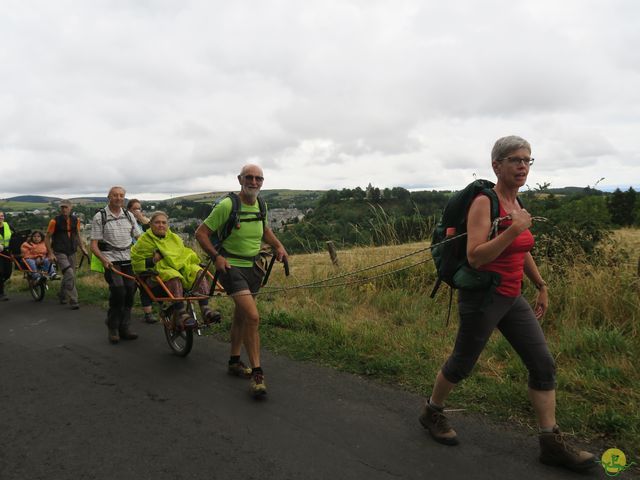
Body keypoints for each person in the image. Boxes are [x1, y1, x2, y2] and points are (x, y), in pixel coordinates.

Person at [419, 136, 596, 471]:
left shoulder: (517, 204)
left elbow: (522, 248)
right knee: (462, 363)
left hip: (512, 297)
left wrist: (540, 285)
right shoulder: (486, 203)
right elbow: (475, 257)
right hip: (483, 296)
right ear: (496, 165)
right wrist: (514, 230)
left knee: (543, 364)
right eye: (515, 160)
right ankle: (432, 411)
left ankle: (550, 443)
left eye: (528, 160)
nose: (522, 166)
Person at [195, 164, 288, 398]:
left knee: (241, 316)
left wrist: (278, 245)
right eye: (249, 178)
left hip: (253, 268)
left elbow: (263, 229)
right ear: (240, 179)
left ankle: (234, 362)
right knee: (253, 317)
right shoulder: (228, 205)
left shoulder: (261, 204)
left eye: (259, 179)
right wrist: (216, 257)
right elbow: (201, 233)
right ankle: (258, 374)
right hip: (230, 267)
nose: (254, 182)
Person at [131, 211, 220, 328]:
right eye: (157, 222)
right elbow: (136, 263)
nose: (161, 225)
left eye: (164, 222)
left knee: (198, 271)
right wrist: (152, 260)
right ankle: (182, 313)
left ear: (167, 225)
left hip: (180, 270)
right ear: (151, 224)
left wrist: (194, 262)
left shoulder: (174, 238)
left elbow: (183, 253)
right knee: (172, 275)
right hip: (155, 279)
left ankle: (206, 310)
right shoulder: (144, 241)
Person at [90, 186, 141, 344]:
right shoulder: (100, 216)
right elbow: (94, 245)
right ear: (109, 197)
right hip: (111, 259)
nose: (119, 198)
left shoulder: (128, 214)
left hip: (128, 258)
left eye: (121, 195)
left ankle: (124, 327)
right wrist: (104, 260)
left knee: (130, 291)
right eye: (115, 195)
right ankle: (113, 326)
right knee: (119, 290)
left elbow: (139, 237)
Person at [45, 200, 88, 309]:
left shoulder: (76, 220)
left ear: (70, 208)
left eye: (66, 207)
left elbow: (78, 235)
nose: (64, 209)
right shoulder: (54, 221)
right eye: (62, 207)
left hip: (72, 250)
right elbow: (47, 237)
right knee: (69, 272)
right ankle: (74, 299)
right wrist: (50, 253)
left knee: (69, 275)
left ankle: (62, 294)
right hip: (59, 251)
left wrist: (82, 247)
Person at [127, 198, 156, 324]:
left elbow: (154, 233)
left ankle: (148, 313)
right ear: (129, 210)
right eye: (135, 209)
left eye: (139, 209)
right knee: (130, 286)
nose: (138, 211)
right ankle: (124, 310)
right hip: (129, 257)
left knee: (145, 284)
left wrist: (142, 219)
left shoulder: (144, 223)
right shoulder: (125, 222)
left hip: (143, 258)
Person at [0, 211, 13, 301]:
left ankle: (1, 284)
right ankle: (1, 293)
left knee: (7, 273)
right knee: (0, 272)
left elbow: (16, 234)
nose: (1, 217)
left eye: (2, 216)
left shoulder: (7, 225)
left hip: (8, 251)